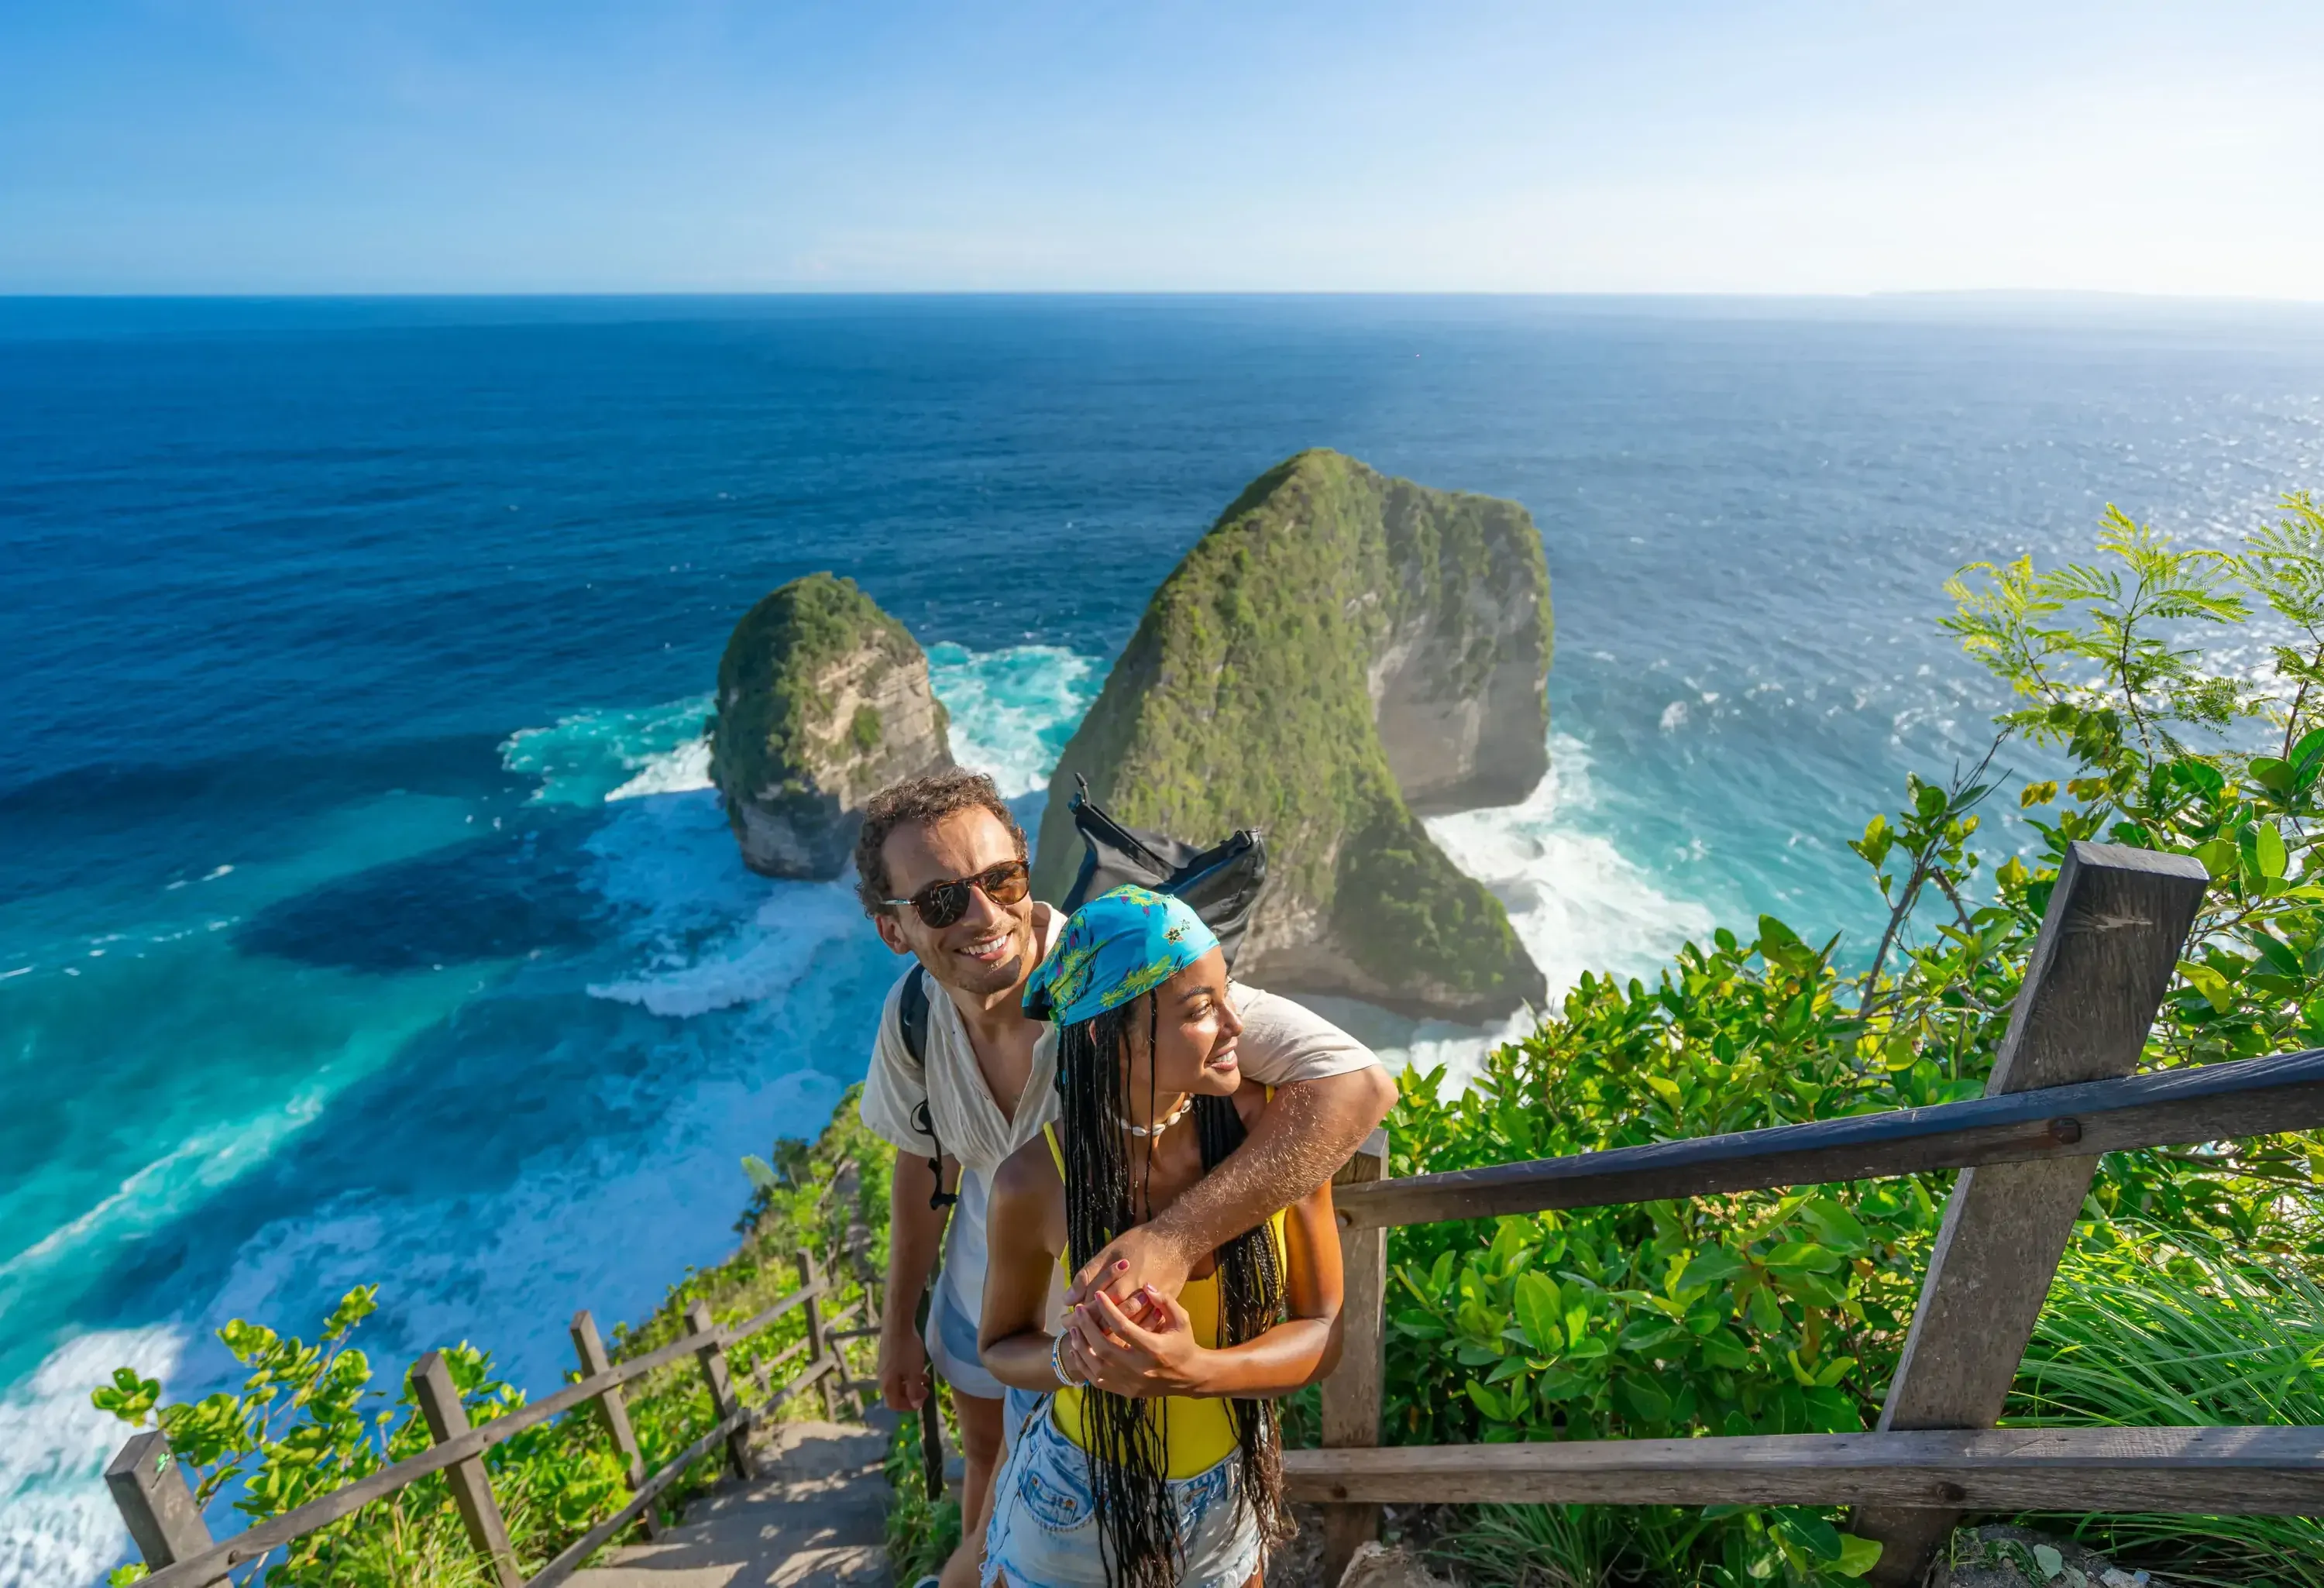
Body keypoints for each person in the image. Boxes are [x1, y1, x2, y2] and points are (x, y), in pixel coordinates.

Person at [854, 769, 1395, 1588]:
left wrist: (1173, 1242)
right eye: (939, 901)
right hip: (991, 1297)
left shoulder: (1142, 964)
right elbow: (921, 1158)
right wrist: (901, 1318)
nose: (985, 915)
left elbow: (1357, 1087)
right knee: (988, 1479)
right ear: (895, 928)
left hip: (1150, 1420)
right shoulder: (916, 1018)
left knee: (1015, 1497)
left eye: (1001, 880)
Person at [977, 886, 1344, 1588]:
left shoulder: (1271, 1139)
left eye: (1224, 994)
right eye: (1202, 1009)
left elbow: (1324, 1331)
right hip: (1071, 1501)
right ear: (1105, 1036)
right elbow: (998, 1348)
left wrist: (1197, 1372)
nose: (1237, 1024)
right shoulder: (1037, 1178)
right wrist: (1070, 1360)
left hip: (1229, 1494)